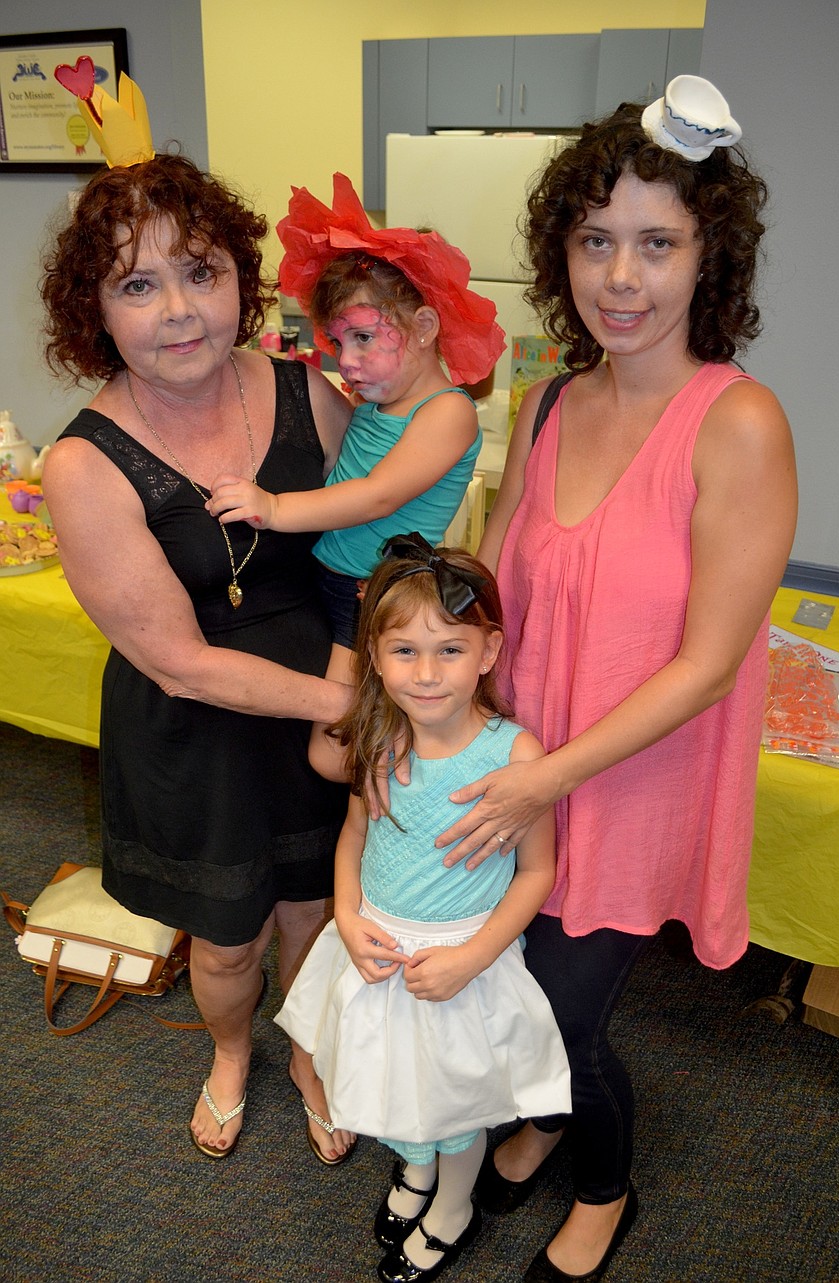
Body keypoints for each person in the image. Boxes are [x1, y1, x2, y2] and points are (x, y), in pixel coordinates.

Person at [415, 77, 798, 1281]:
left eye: (656, 243)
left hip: (631, 782)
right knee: (504, 992)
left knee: (549, 1013)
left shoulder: (738, 424)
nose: (619, 278)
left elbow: (708, 660)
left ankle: (605, 1186)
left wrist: (546, 782)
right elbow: (509, 598)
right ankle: (536, 1122)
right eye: (594, 241)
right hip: (527, 765)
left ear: (708, 256)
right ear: (560, 253)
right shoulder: (545, 403)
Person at [40, 128, 358, 1163]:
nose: (179, 308)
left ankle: (307, 1050)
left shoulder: (311, 391)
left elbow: (371, 543)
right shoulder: (86, 465)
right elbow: (176, 658)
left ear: (241, 280)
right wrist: (348, 710)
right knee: (228, 936)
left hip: (324, 693)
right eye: (139, 284)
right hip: (201, 724)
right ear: (96, 311)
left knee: (316, 908)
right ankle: (229, 1051)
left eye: (201, 271)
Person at [276, 535, 571, 1283]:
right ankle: (414, 1172)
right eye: (405, 650)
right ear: (373, 655)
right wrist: (346, 913)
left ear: (487, 650)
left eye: (449, 649)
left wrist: (473, 959)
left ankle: (452, 1207)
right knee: (398, 1082)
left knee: (452, 1106)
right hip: (376, 944)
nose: (427, 672)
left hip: (461, 962)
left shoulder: (515, 757)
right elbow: (353, 836)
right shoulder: (376, 738)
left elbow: (538, 871)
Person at [206, 173, 504, 773]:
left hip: (364, 591)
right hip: (330, 575)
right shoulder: (378, 402)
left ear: (423, 328)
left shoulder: (447, 413)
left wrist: (274, 507)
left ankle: (404, 797)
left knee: (330, 752)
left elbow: (374, 497)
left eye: (365, 338)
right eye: (339, 343)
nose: (349, 361)